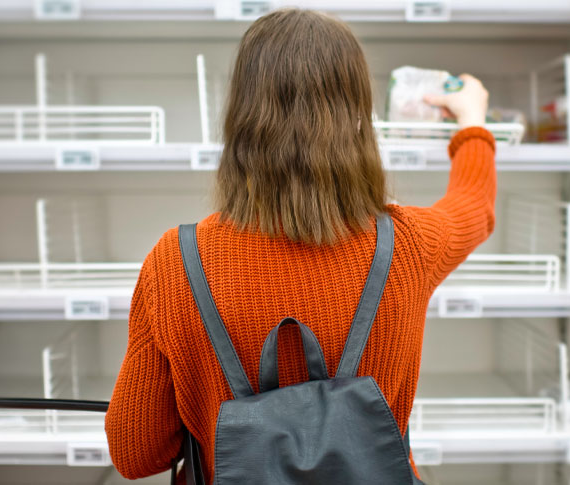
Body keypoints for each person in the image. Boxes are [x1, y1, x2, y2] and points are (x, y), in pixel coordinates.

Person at [106, 8, 495, 482]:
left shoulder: (175, 263)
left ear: (240, 120)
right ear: (357, 118)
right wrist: (472, 120)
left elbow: (137, 453)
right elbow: (474, 206)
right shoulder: (409, 245)